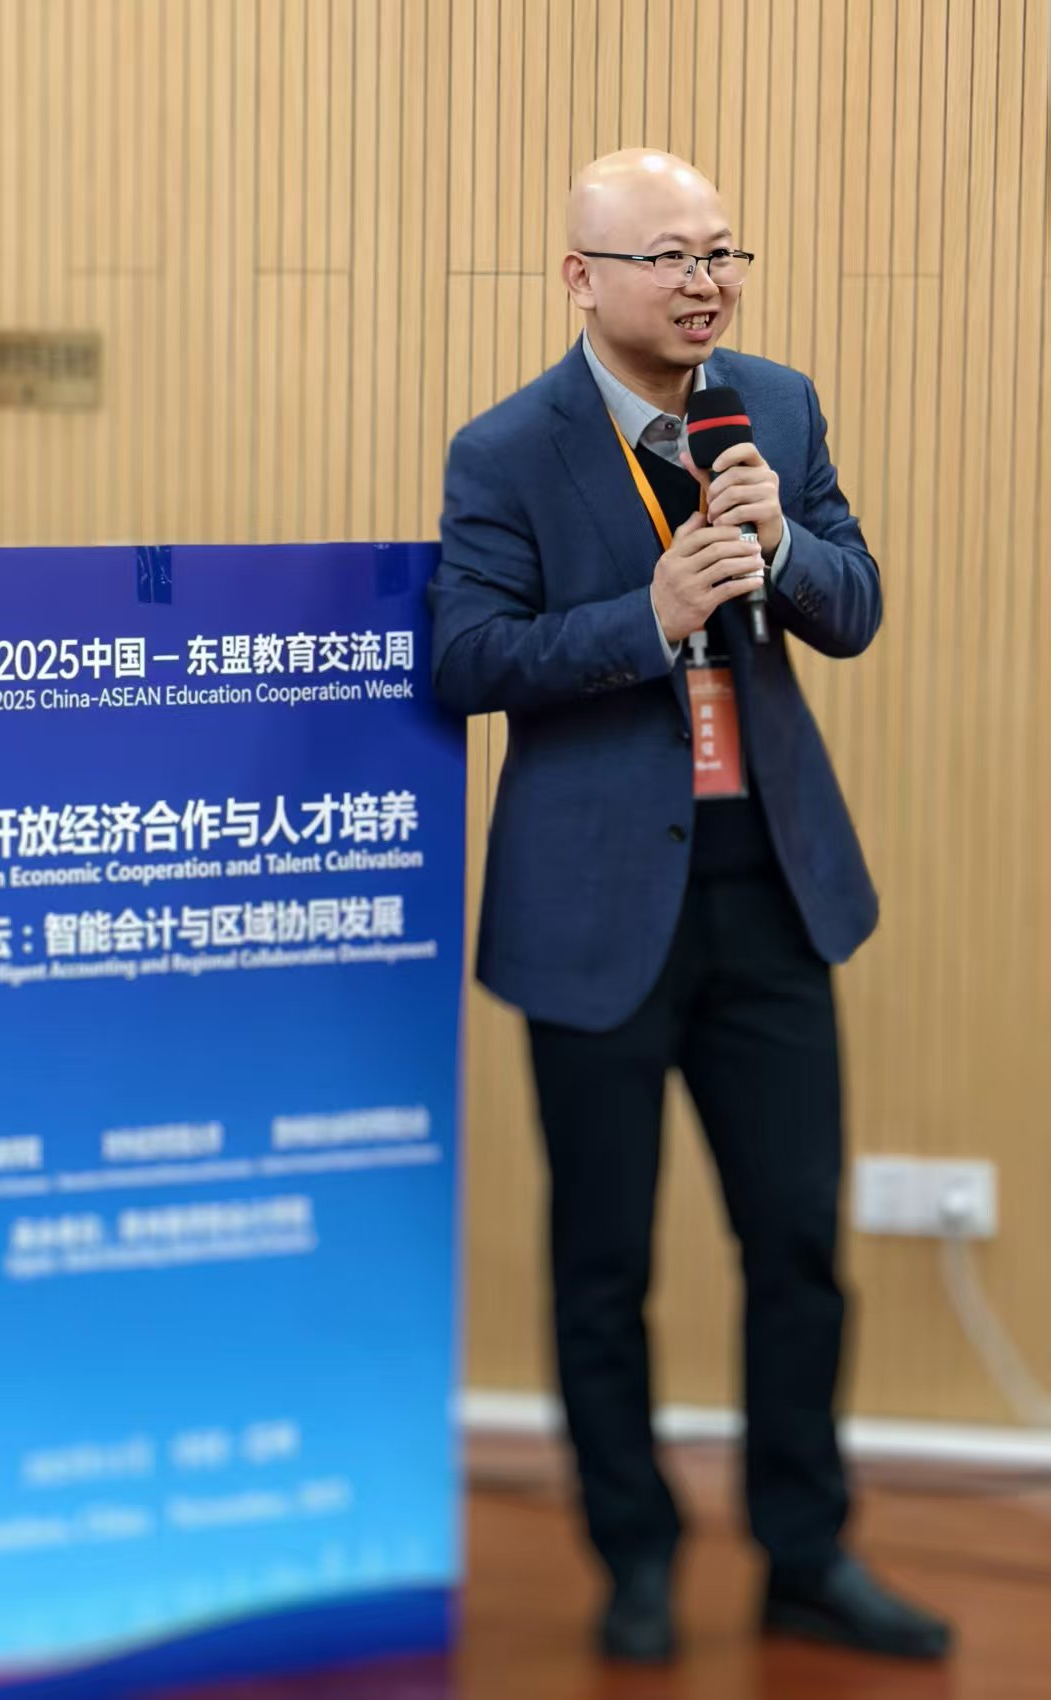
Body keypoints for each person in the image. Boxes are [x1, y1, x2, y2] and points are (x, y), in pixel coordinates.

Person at [429, 149, 951, 1664]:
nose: (705, 281)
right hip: (595, 908)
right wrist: (643, 620)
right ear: (581, 279)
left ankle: (805, 1552)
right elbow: (465, 661)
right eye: (668, 255)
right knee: (606, 1262)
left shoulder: (771, 408)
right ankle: (635, 1554)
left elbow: (854, 606)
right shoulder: (506, 450)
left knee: (796, 1246)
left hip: (770, 894)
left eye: (720, 251)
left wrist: (783, 543)